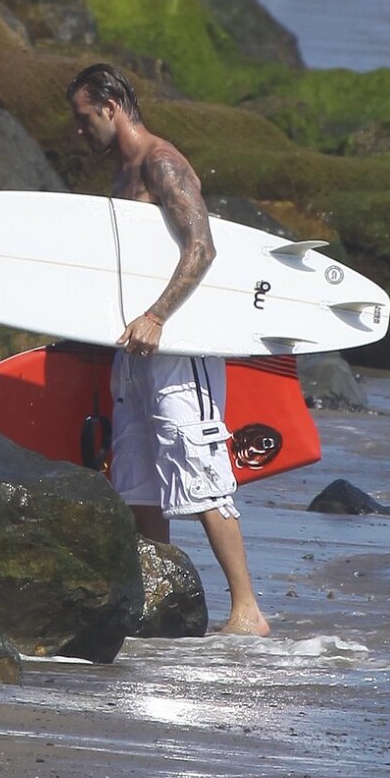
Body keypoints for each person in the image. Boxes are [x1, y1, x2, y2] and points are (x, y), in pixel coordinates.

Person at [66, 63, 270, 637]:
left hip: (179, 340)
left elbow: (202, 249)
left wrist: (157, 316)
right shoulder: (121, 172)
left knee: (197, 461)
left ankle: (248, 610)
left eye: (83, 118)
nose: (78, 131)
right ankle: (162, 602)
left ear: (110, 107)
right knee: (138, 475)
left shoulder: (162, 163)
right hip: (136, 345)